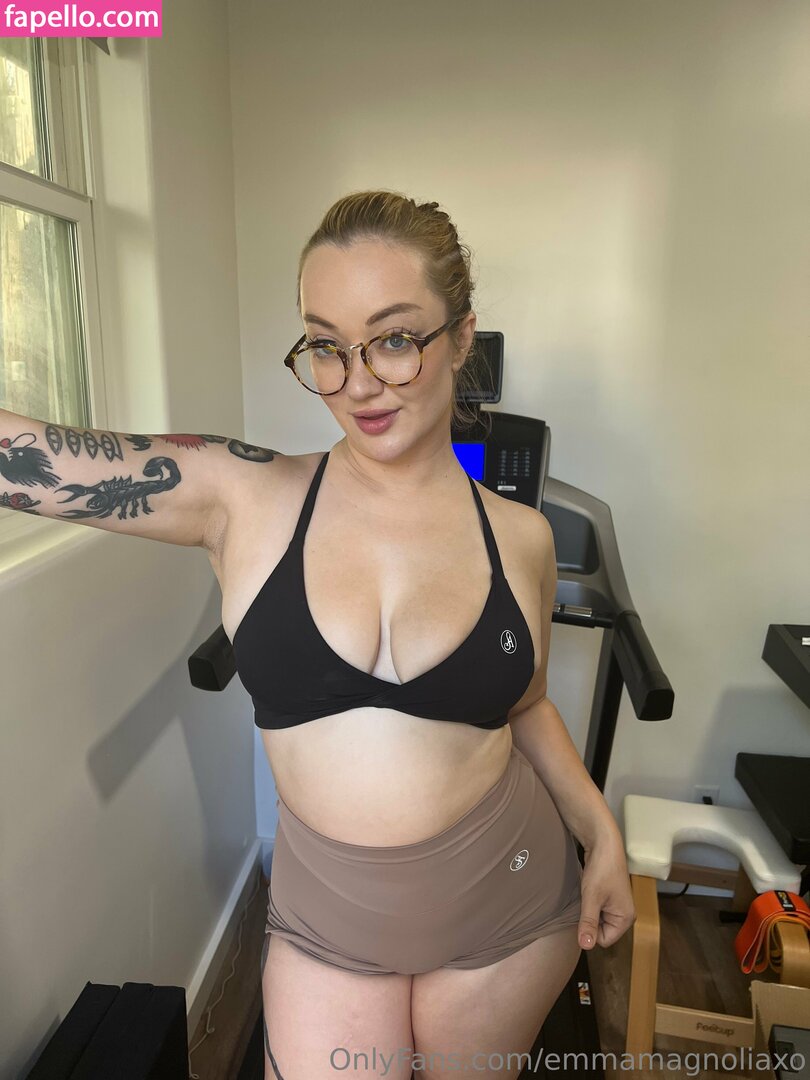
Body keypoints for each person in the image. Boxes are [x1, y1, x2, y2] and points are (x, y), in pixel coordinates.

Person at [0, 190, 635, 1079]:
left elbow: (526, 706)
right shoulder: (242, 497)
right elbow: (28, 462)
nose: (358, 382)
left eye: (395, 338)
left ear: (462, 338)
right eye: (326, 346)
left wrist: (600, 832)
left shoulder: (520, 538)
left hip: (507, 901)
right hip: (331, 920)